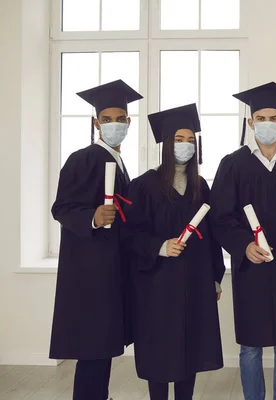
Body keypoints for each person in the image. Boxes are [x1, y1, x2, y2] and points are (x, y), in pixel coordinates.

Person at [210, 82, 276, 400]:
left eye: (273, 117)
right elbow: (221, 218)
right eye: (260, 117)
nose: (267, 122)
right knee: (250, 349)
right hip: (251, 268)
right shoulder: (233, 164)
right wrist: (244, 245)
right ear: (250, 122)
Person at [123, 104, 225, 399]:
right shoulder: (143, 186)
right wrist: (160, 246)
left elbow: (211, 237)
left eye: (190, 139)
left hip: (194, 282)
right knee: (159, 353)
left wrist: (215, 276)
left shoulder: (200, 186)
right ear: (166, 144)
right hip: (156, 286)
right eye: (179, 139)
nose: (185, 145)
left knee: (189, 351)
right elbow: (129, 236)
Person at [50, 80, 142, 400]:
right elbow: (61, 207)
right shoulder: (83, 158)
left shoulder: (119, 162)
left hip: (112, 268)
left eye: (120, 119)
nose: (113, 124)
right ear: (95, 123)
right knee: (92, 348)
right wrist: (92, 217)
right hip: (90, 273)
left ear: (128, 123)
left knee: (102, 347)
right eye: (106, 119)